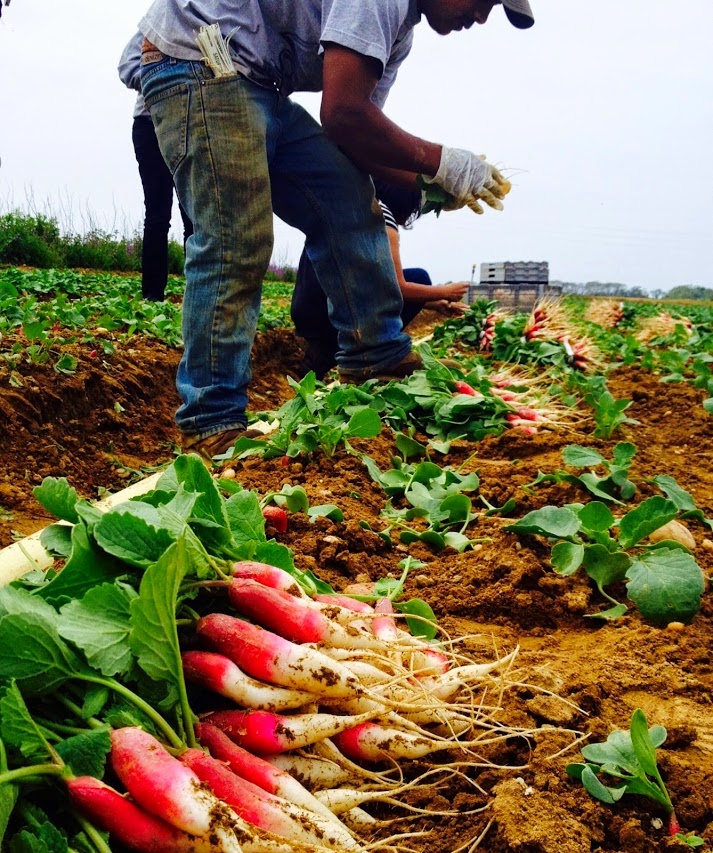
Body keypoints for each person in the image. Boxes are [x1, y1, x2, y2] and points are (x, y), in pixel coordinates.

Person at [128, 0, 534, 458]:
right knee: (235, 236)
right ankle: (211, 420)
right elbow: (344, 114)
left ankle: (374, 356)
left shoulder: (398, 34)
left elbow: (354, 143)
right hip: (198, 61)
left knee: (346, 194)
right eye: (484, 2)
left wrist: (436, 186)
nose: (480, 18)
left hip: (256, 81)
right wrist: (443, 161)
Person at [291, 178, 470, 380]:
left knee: (414, 280)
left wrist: (433, 303)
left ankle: (320, 358)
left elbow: (366, 280)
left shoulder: (354, 203)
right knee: (421, 277)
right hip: (330, 314)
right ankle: (374, 358)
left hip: (309, 308)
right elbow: (397, 287)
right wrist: (444, 291)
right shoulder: (381, 215)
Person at [118, 33, 194, 302]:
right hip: (149, 124)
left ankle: (197, 294)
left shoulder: (204, 25)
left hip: (190, 122)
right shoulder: (152, 27)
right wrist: (161, 83)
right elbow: (126, 66)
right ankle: (152, 294)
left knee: (193, 215)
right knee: (157, 213)